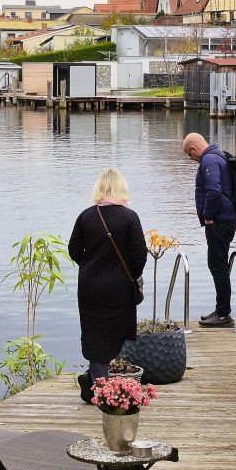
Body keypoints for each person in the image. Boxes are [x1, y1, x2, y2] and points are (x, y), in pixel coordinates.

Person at [68, 167, 147, 404]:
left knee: (94, 332)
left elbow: (74, 249)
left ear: (99, 188)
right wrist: (131, 276)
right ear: (121, 188)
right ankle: (102, 391)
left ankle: (93, 380)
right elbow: (139, 255)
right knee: (117, 330)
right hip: (119, 288)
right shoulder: (130, 217)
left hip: (89, 287)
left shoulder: (85, 216)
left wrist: (90, 266)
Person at [182, 132, 236, 328]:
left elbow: (213, 190)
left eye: (189, 154)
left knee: (218, 265)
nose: (191, 158)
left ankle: (223, 314)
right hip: (225, 218)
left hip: (219, 221)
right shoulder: (217, 156)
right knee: (218, 264)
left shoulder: (209, 160)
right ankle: (221, 310)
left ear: (194, 149)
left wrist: (207, 215)